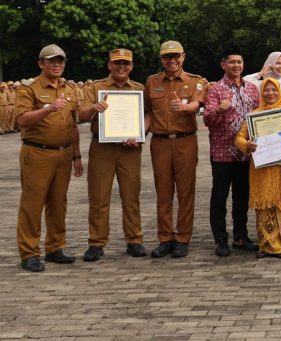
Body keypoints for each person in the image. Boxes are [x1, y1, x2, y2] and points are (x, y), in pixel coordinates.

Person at [15, 44, 83, 272]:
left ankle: (55, 247)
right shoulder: (29, 89)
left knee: (58, 203)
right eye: (52, 61)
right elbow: (22, 120)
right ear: (41, 63)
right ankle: (29, 252)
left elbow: (74, 125)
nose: (57, 65)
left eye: (60, 61)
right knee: (32, 204)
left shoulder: (70, 89)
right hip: (37, 152)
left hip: (63, 153)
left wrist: (77, 156)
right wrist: (48, 108)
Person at [78, 48, 147, 262]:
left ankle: (134, 240)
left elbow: (148, 116)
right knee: (99, 196)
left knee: (131, 195)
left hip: (130, 149)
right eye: (117, 63)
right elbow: (80, 115)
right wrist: (94, 109)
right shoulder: (96, 87)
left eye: (126, 63)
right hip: (102, 147)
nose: (121, 67)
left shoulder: (139, 89)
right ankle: (96, 242)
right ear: (109, 65)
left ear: (131, 66)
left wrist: (141, 134)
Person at [144, 40, 207, 259]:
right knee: (162, 191)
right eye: (167, 57)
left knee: (185, 190)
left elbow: (197, 105)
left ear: (183, 57)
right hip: (159, 141)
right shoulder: (152, 82)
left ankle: (183, 237)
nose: (172, 61)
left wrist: (185, 107)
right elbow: (148, 113)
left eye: (175, 56)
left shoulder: (195, 82)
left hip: (185, 141)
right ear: (161, 59)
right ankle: (165, 237)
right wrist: (138, 134)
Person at [203, 46, 260, 257]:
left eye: (239, 62)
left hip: (245, 153)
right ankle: (220, 239)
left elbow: (261, 116)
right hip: (222, 153)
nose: (236, 65)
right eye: (232, 62)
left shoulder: (252, 89)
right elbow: (208, 120)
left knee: (242, 197)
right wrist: (218, 110)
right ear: (223, 64)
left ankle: (240, 236)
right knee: (219, 196)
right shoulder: (216, 89)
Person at [235, 78, 281, 258]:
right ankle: (266, 246)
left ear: (279, 91)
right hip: (261, 169)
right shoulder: (254, 115)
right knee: (263, 208)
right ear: (262, 93)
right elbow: (239, 138)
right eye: (267, 90)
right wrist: (248, 146)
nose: (270, 93)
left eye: (274, 90)